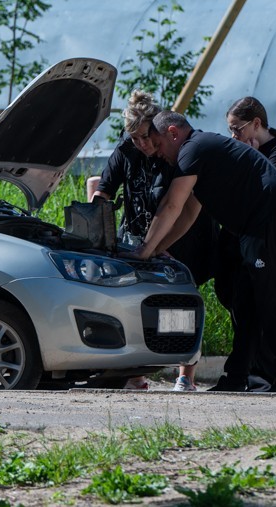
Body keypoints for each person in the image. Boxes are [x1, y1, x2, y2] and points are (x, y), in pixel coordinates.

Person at [137, 111, 276, 393]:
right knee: (246, 305)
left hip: (271, 222)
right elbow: (189, 212)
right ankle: (236, 379)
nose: (157, 153)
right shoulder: (200, 151)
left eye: (159, 144)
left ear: (173, 133)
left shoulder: (193, 148)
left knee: (275, 302)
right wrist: (160, 248)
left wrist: (144, 251)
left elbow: (171, 206)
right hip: (257, 227)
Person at [88, 91, 219, 392]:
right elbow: (104, 190)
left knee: (179, 305)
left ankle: (185, 374)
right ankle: (136, 374)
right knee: (134, 303)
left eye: (146, 137)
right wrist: (93, 223)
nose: (143, 145)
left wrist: (160, 244)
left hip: (183, 236)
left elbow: (179, 207)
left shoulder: (176, 150)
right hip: (137, 237)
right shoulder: (126, 150)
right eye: (135, 139)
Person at [220, 96, 276, 392]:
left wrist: (250, 160)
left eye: (237, 129)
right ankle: (240, 377)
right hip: (249, 243)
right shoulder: (252, 151)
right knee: (245, 309)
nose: (234, 137)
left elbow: (264, 195)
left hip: (271, 242)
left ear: (256, 124)